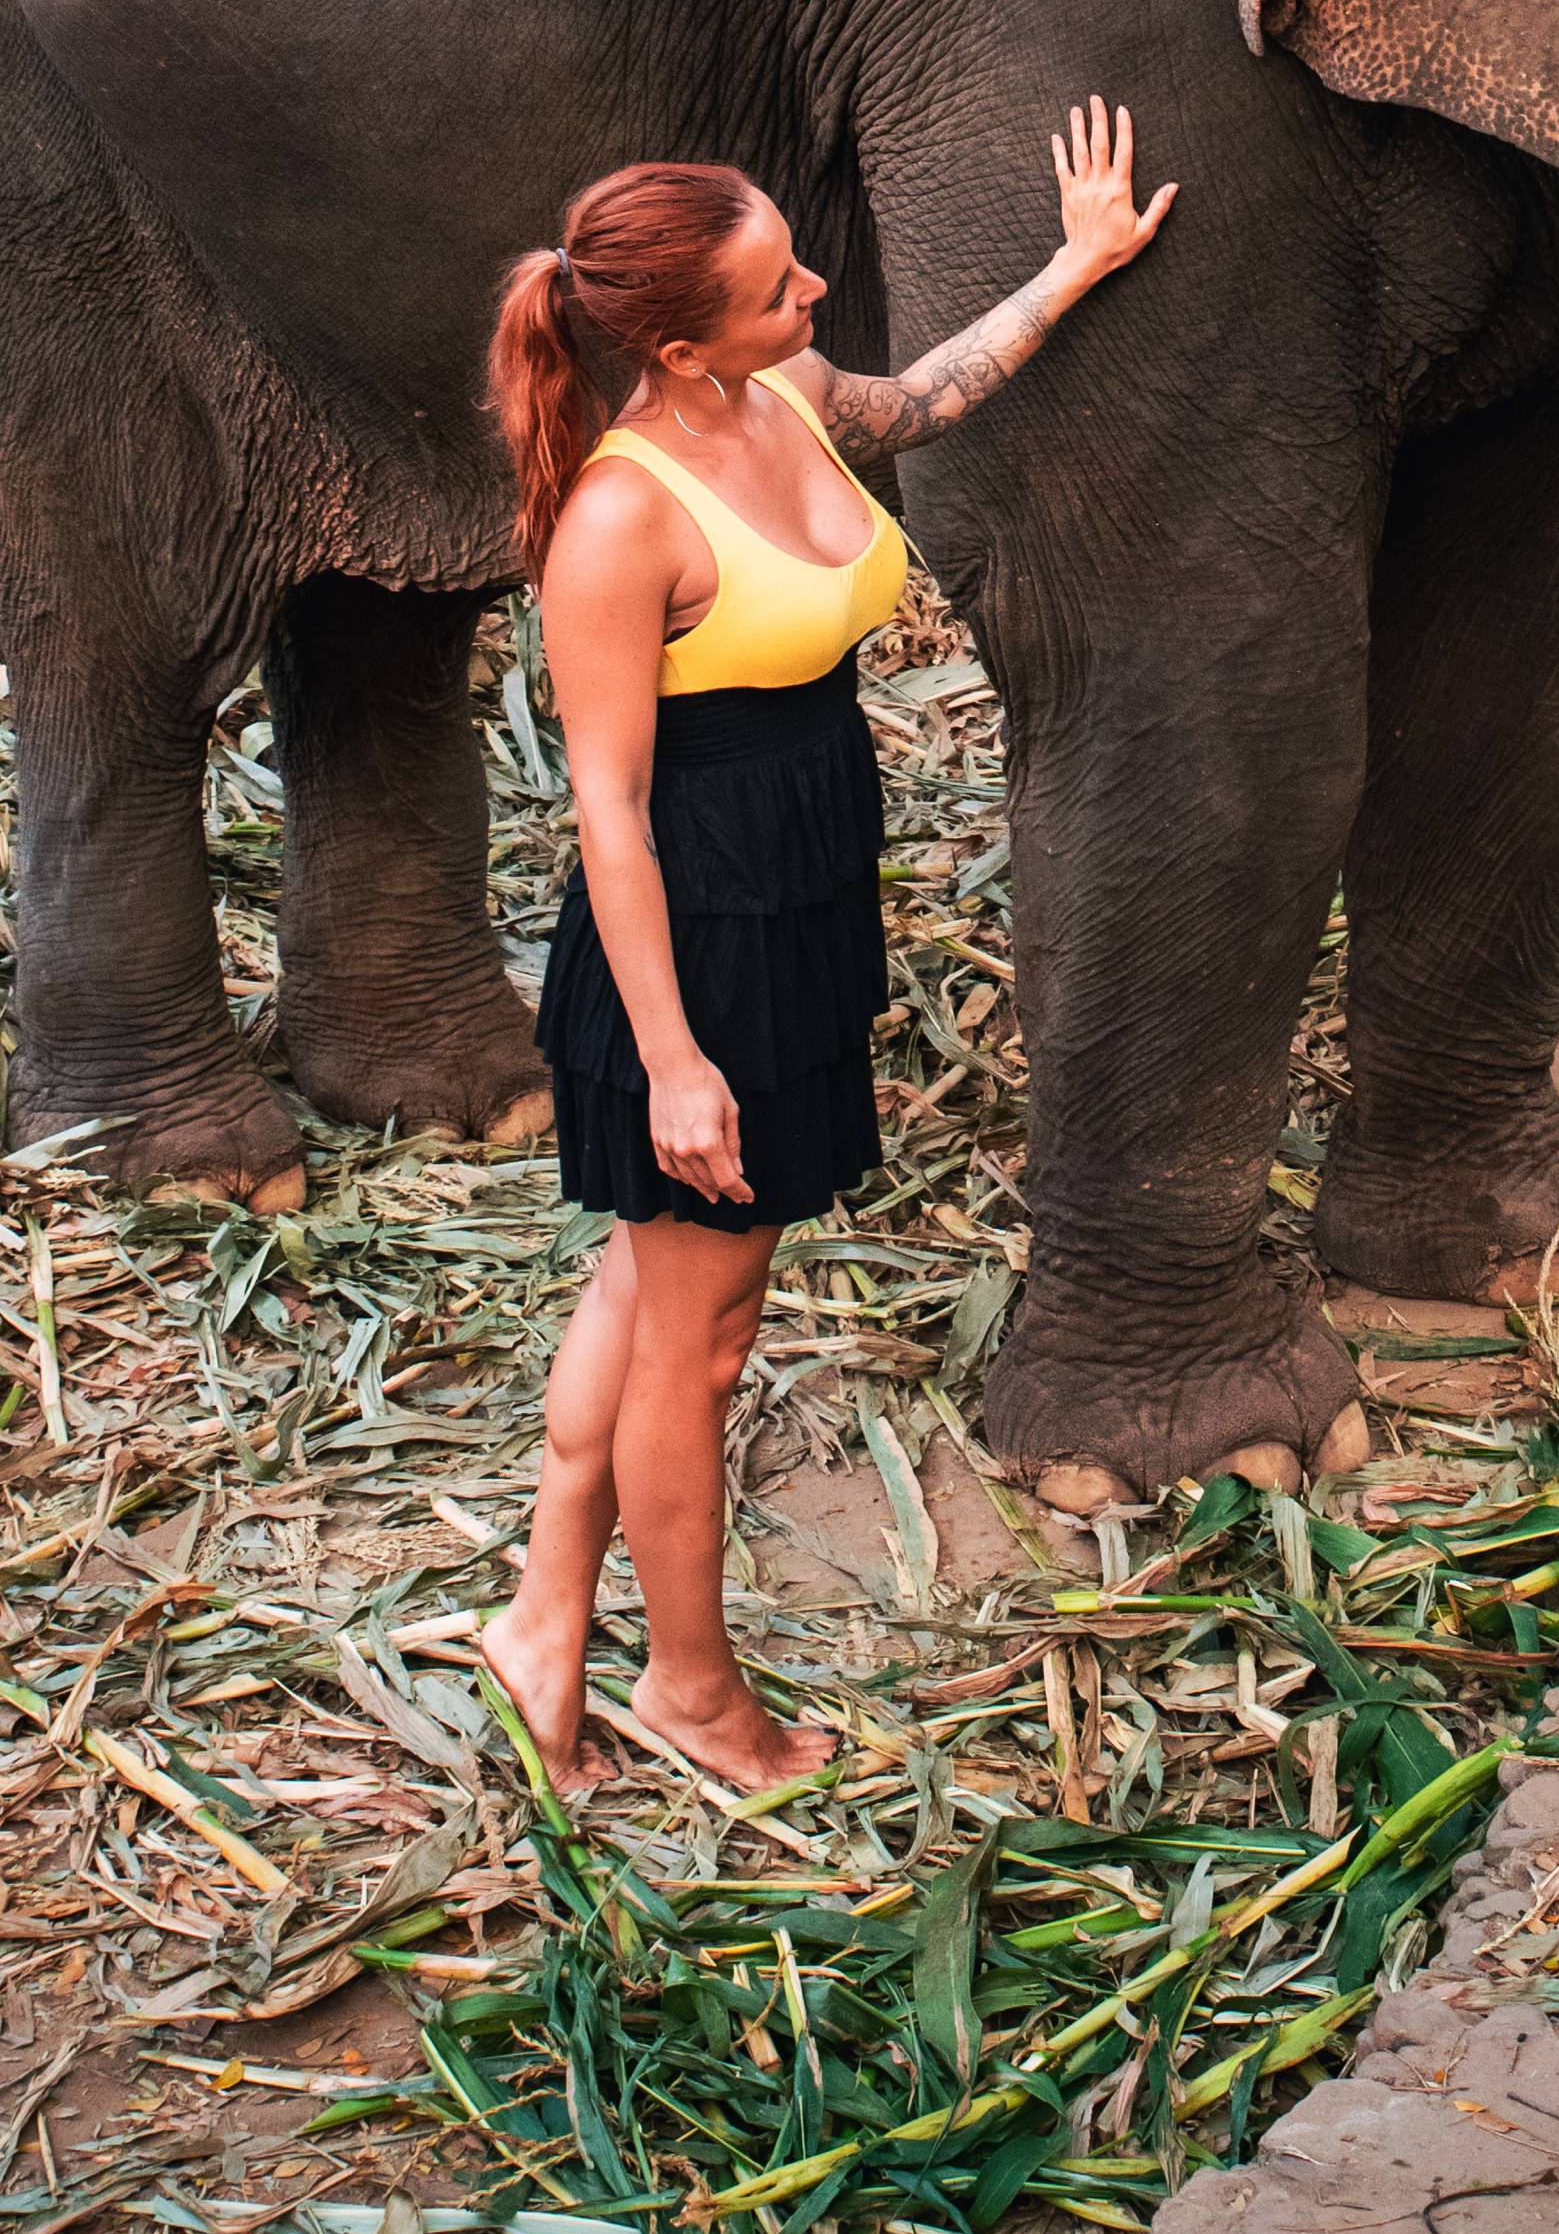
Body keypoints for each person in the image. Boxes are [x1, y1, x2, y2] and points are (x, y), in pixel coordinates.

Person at [478, 103, 1176, 1794]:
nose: (812, 287)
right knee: (699, 1337)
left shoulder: (780, 387)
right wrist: (674, 1060)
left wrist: (1074, 264)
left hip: (799, 893)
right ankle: (694, 1691)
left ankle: (542, 1615)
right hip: (695, 943)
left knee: (651, 1279)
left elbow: (925, 392)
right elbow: (615, 820)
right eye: (776, 281)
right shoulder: (617, 522)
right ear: (672, 337)